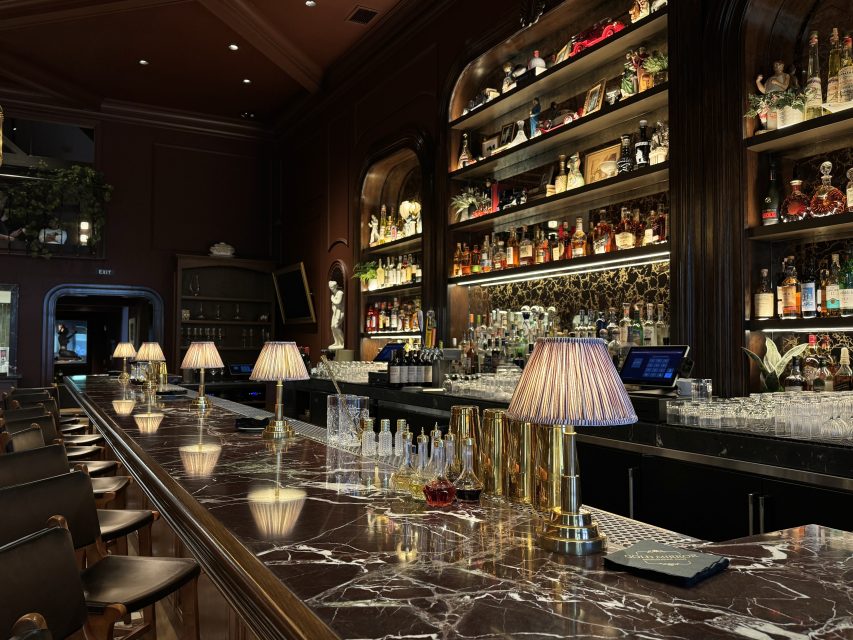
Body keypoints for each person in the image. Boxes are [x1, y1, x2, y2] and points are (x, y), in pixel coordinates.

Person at [328, 281, 344, 350]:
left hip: (340, 312)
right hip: (335, 312)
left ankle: (342, 342)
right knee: (332, 326)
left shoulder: (340, 293)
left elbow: (338, 302)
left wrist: (332, 298)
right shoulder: (334, 294)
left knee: (336, 326)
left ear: (336, 286)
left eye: (332, 287)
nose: (331, 289)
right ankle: (337, 342)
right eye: (330, 287)